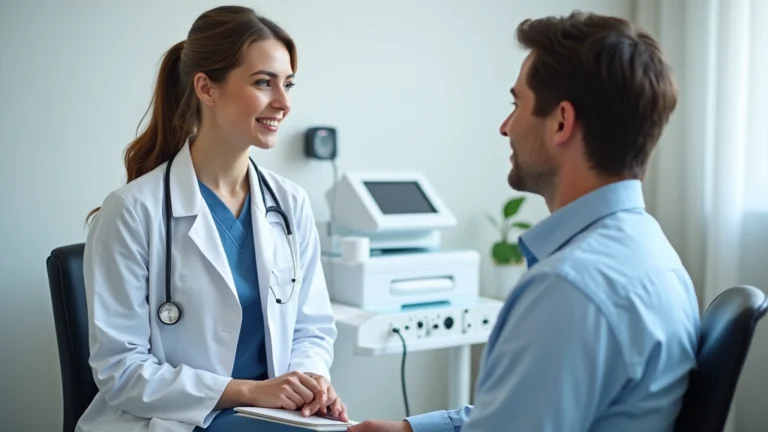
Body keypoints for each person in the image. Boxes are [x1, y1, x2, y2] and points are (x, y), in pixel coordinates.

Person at [349, 10, 700, 432]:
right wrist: (412, 430)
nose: (505, 127)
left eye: (517, 104)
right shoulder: (652, 252)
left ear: (561, 122)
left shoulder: (569, 288)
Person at [80, 6, 348, 432]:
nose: (284, 102)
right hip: (173, 419)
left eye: (288, 84)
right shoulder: (132, 211)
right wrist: (247, 390)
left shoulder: (290, 204)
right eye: (264, 83)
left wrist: (310, 380)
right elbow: (122, 371)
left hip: (272, 415)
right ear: (206, 88)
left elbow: (312, 328)